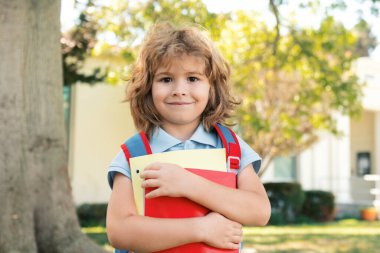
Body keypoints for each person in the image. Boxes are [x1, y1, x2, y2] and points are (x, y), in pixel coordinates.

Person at [106, 22, 271, 252]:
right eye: (166, 79)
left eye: (193, 78)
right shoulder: (133, 153)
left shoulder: (232, 148)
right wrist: (201, 229)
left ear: (211, 87)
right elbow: (120, 231)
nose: (179, 90)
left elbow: (259, 211)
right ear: (147, 88)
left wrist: (188, 184)